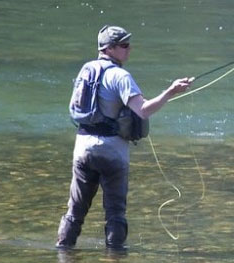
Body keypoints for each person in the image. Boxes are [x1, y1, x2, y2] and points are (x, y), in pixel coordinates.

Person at [56, 25, 193, 250]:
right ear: (109, 49)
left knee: (76, 209)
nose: (130, 49)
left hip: (82, 148)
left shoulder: (86, 70)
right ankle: (115, 260)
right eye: (124, 45)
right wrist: (170, 92)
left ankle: (63, 252)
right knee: (115, 212)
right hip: (112, 151)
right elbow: (143, 110)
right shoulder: (120, 76)